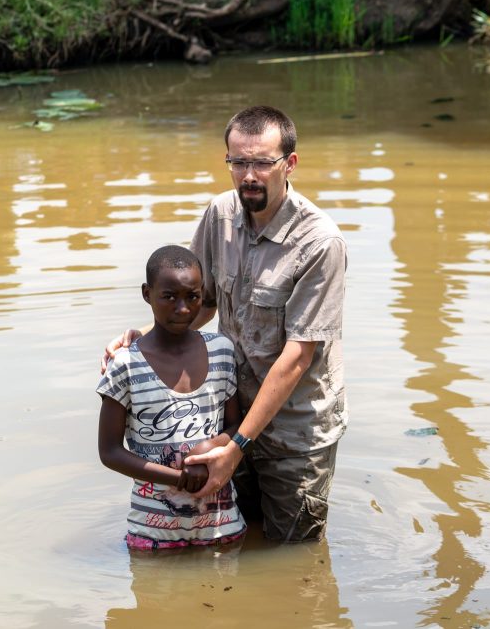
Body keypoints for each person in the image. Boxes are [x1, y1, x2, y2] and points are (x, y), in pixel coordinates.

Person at [102, 106, 347, 543]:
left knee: (293, 553)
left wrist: (237, 449)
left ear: (289, 164)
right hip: (229, 416)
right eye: (238, 162)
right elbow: (201, 302)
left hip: (294, 430)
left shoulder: (319, 242)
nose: (248, 176)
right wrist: (147, 338)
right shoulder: (220, 215)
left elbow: (297, 357)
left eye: (261, 163)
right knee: (242, 538)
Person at [97, 244, 246, 550]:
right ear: (146, 294)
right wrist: (177, 479)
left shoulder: (221, 350)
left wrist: (213, 446)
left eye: (192, 297)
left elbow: (237, 426)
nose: (182, 309)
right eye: (169, 297)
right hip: (153, 533)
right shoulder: (125, 364)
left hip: (222, 528)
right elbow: (109, 451)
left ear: (203, 294)